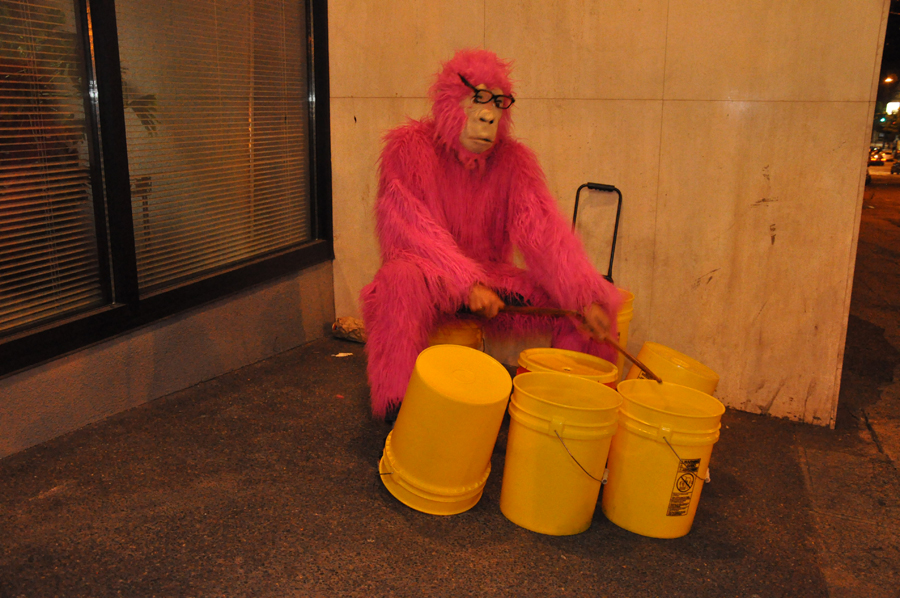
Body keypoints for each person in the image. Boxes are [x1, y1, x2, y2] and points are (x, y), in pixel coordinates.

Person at [361, 48, 622, 419]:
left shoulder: (513, 162)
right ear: (451, 102)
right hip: (427, 277)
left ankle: (577, 414)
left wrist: (584, 296)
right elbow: (408, 231)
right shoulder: (408, 150)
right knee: (397, 279)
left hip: (490, 276)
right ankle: (398, 408)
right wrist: (464, 283)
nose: (488, 115)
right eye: (477, 99)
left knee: (590, 305)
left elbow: (544, 231)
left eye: (498, 102)